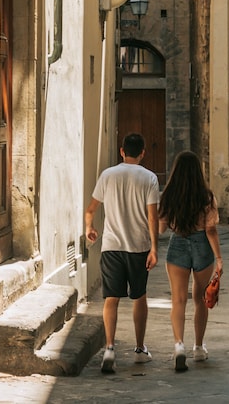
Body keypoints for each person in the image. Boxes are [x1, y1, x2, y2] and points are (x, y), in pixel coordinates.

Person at [84, 133, 160, 374]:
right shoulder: (149, 178)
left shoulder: (108, 175)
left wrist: (89, 227)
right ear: (143, 152)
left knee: (111, 299)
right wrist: (155, 248)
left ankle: (109, 348)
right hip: (138, 247)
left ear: (121, 151)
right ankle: (139, 349)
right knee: (139, 297)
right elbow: (152, 216)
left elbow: (91, 209)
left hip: (111, 246)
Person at [158, 151, 224, 372]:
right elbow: (211, 229)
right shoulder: (206, 196)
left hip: (178, 245)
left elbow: (160, 228)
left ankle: (179, 345)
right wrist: (219, 258)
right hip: (202, 246)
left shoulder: (168, 195)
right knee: (200, 298)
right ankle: (198, 346)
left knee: (178, 300)